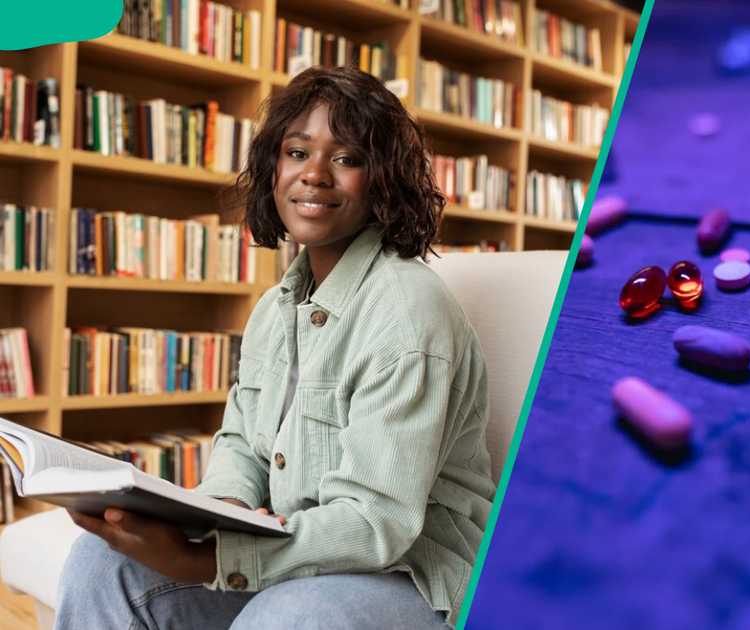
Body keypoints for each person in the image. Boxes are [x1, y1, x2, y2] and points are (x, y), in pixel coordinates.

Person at [56, 66, 495, 630]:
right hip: (299, 554)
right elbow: (242, 443)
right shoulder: (275, 307)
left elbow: (377, 523)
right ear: (274, 168)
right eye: (297, 151)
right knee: (102, 561)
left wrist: (212, 557)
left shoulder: (408, 310)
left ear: (382, 179)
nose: (314, 175)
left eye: (347, 158)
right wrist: (223, 512)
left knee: (285, 618)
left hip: (411, 575)